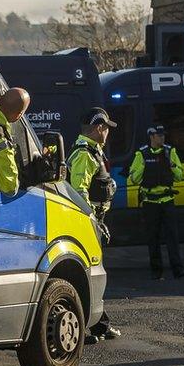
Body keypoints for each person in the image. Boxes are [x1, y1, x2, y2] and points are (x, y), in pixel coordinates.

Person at [68, 107, 121, 342]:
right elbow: (79, 192)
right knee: (88, 275)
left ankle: (100, 324)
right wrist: (92, 222)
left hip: (94, 220)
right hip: (86, 222)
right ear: (99, 127)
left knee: (93, 275)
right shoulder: (84, 155)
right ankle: (88, 326)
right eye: (107, 127)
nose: (108, 132)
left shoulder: (94, 152)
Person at [128, 125, 184, 280]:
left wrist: (172, 165)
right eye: (159, 136)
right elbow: (133, 178)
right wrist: (144, 167)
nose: (162, 138)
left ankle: (178, 269)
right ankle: (156, 271)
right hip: (150, 202)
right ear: (151, 137)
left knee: (172, 237)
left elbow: (180, 176)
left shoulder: (170, 152)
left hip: (167, 200)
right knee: (153, 238)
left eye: (163, 135)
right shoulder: (142, 154)